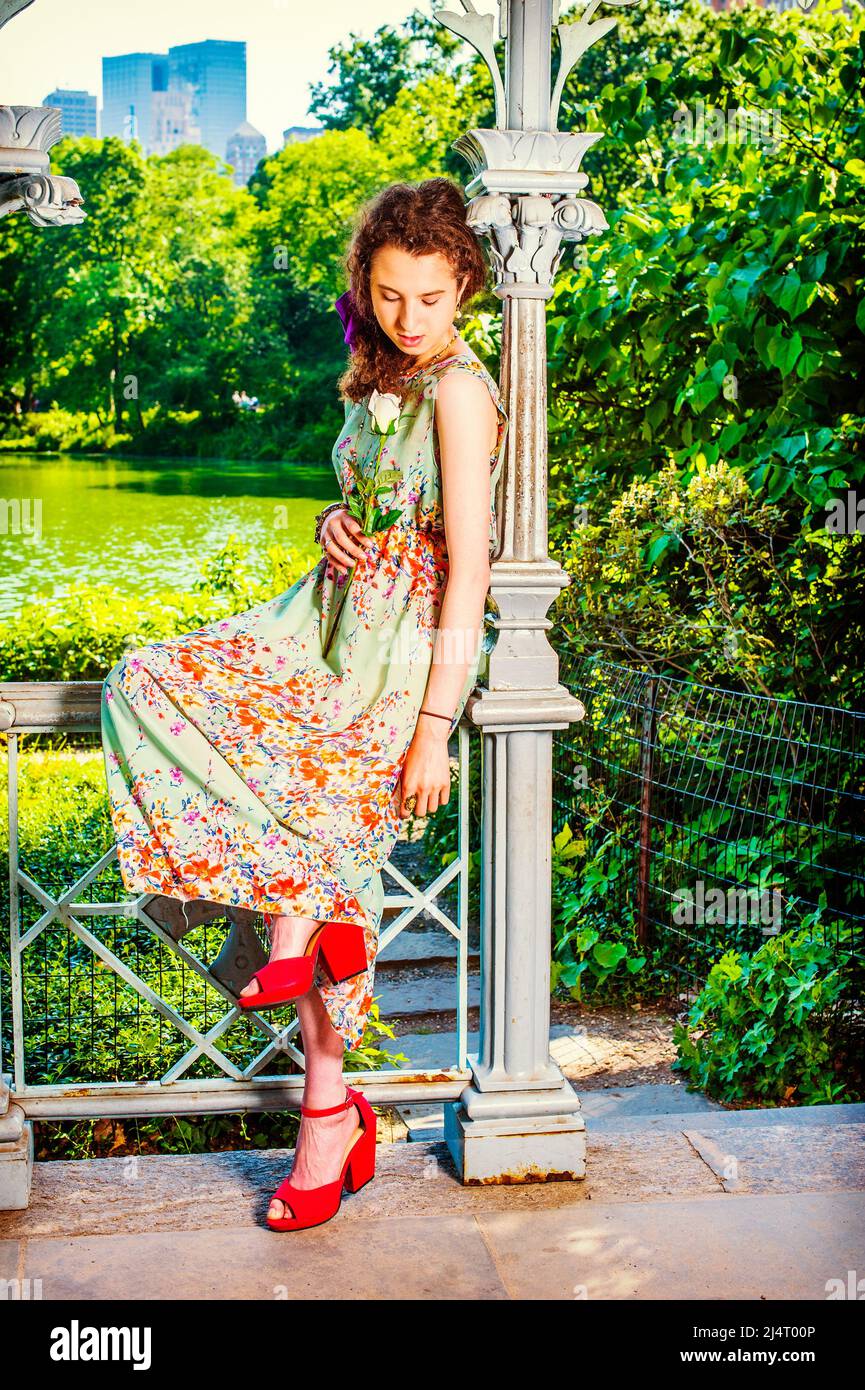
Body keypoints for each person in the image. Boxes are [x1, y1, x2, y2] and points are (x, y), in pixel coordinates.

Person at [100, 176, 509, 1231]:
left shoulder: (461, 390)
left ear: (463, 281)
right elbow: (371, 497)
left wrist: (434, 726)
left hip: (396, 663)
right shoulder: (372, 373)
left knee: (319, 852)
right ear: (364, 287)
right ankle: (305, 978)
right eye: (386, 295)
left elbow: (468, 567)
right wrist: (333, 517)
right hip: (322, 626)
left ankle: (327, 1116)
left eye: (427, 297)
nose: (407, 318)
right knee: (144, 678)